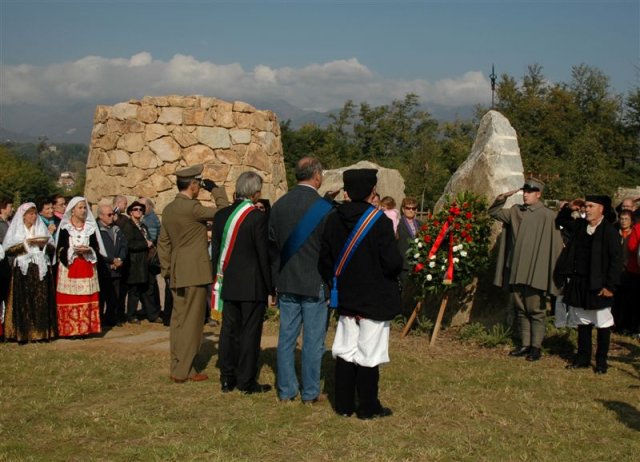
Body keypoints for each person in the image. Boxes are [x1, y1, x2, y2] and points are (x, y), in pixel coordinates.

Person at [319, 168, 403, 419]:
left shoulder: (333, 220)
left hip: (344, 297)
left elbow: (323, 261)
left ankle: (343, 406)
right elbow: (392, 263)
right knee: (370, 354)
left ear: (346, 191)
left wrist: (337, 284)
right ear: (372, 191)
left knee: (345, 350)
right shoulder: (380, 222)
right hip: (374, 299)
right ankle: (368, 407)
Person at [268, 157, 334, 403]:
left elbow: (272, 247)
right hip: (314, 281)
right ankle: (309, 392)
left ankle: (286, 391)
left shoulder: (279, 205)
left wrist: (276, 279)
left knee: (286, 339)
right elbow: (329, 250)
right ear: (316, 175)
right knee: (313, 342)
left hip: (286, 281)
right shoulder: (324, 208)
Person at [157, 164, 229, 383]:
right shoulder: (193, 208)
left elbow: (163, 243)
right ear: (194, 184)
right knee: (193, 323)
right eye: (198, 184)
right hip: (195, 272)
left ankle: (178, 366)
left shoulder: (169, 209)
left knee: (178, 321)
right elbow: (224, 212)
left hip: (177, 271)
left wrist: (167, 269)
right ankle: (183, 371)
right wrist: (216, 190)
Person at [490, 178, 563, 361]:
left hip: (536, 271)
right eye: (524, 191)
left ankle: (536, 347)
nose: (525, 194)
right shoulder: (515, 212)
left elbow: (555, 246)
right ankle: (525, 344)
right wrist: (502, 197)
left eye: (529, 192)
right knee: (521, 309)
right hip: (517, 268)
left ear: (538, 194)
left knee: (536, 310)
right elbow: (493, 212)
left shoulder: (548, 215)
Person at [212, 172, 272, 394]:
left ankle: (227, 378)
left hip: (227, 282)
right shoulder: (257, 217)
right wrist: (270, 286)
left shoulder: (220, 216)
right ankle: (246, 380)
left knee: (228, 331)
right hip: (252, 284)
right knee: (249, 333)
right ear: (256, 193)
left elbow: (216, 253)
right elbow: (263, 255)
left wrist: (215, 280)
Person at [557, 196, 622, 374]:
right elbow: (561, 220)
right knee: (582, 322)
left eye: (591, 206)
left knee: (602, 323)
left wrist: (610, 286)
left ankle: (601, 361)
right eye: (586, 206)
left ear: (602, 209)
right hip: (580, 282)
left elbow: (616, 262)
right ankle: (583, 358)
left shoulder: (609, 232)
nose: (587, 209)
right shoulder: (580, 226)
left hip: (600, 285)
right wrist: (570, 207)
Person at [2, 202, 57, 342]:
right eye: (30, 214)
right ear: (24, 216)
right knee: (24, 301)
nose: (33, 217)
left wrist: (43, 244)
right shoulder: (17, 230)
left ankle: (40, 332)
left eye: (34, 214)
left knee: (40, 300)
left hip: (39, 267)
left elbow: (51, 246)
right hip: (23, 268)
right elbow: (8, 249)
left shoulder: (40, 228)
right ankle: (23, 332)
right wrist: (26, 244)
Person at [55, 197, 106, 337]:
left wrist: (89, 250)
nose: (83, 210)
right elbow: (59, 249)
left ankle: (86, 329)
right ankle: (69, 329)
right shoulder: (65, 228)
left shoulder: (90, 228)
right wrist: (72, 251)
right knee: (70, 297)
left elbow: (97, 246)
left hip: (87, 265)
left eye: (84, 208)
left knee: (86, 297)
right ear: (72, 211)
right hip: (70, 267)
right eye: (80, 208)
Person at [121, 200, 161, 324]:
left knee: (147, 289)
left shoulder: (142, 226)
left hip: (144, 262)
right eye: (135, 209)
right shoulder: (128, 226)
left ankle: (152, 314)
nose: (138, 211)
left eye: (140, 209)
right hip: (134, 263)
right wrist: (145, 244)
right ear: (130, 212)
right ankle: (131, 315)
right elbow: (128, 243)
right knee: (134, 290)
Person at [96, 203, 128, 327]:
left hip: (116, 268)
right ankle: (99, 319)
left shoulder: (116, 229)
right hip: (103, 268)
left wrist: (120, 259)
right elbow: (98, 250)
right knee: (101, 296)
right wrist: (110, 261)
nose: (112, 216)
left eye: (113, 214)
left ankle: (111, 318)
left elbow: (124, 245)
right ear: (100, 216)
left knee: (114, 296)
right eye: (109, 214)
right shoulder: (96, 231)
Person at [397, 196, 421, 317]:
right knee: (404, 291)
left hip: (417, 264)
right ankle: (401, 316)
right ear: (403, 209)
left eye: (414, 208)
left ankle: (413, 317)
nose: (411, 210)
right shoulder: (398, 224)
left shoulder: (421, 224)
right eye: (408, 208)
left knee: (415, 292)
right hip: (403, 263)